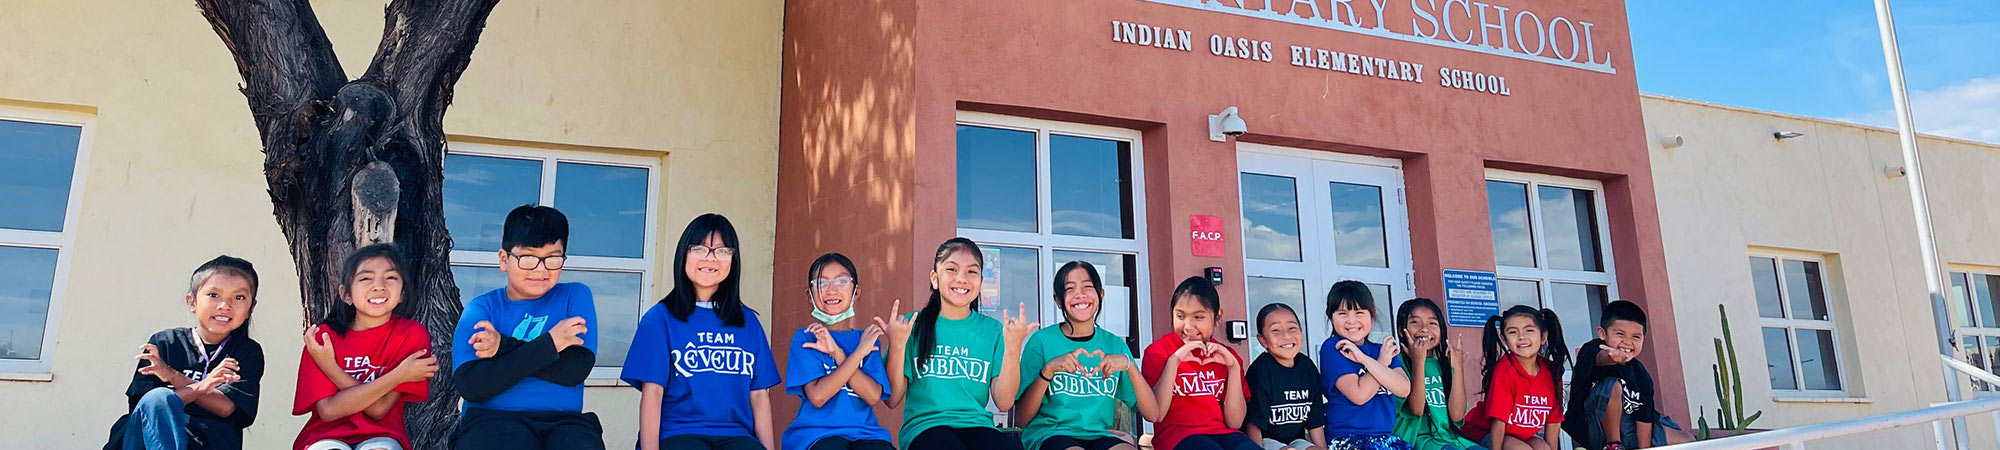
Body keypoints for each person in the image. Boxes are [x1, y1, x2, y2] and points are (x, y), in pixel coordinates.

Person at [624, 213, 782, 450]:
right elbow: (653, 393)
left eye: (722, 250)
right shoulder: (660, 319)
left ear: (733, 259)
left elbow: (759, 396)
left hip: (737, 437)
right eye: (700, 248)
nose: (711, 258)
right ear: (684, 254)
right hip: (679, 434)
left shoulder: (747, 322)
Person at [450, 205, 603, 450]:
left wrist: (503, 347)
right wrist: (553, 343)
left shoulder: (575, 296)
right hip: (492, 422)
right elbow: (473, 385)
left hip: (565, 424)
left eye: (553, 258)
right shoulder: (482, 309)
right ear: (504, 259)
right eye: (528, 258)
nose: (541, 269)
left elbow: (574, 369)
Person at [884, 237, 1036, 450]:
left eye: (972, 272)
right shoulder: (911, 325)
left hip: (978, 427)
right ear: (935, 279)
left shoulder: (992, 330)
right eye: (952, 269)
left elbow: (1003, 401)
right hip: (926, 428)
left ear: (981, 282)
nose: (962, 278)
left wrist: (1013, 347)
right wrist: (898, 345)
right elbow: (892, 399)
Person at [103, 255, 266, 450]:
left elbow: (226, 407)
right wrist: (202, 387)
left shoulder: (246, 351)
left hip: (210, 443)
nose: (225, 305)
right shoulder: (164, 343)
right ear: (192, 302)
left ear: (251, 307)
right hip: (148, 444)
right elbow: (150, 409)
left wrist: (173, 377)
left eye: (239, 297)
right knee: (159, 397)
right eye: (214, 295)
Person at [292, 244, 439, 450]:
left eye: (391, 278)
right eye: (365, 278)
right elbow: (329, 411)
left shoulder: (411, 334)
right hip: (323, 435)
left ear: (402, 293)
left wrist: (330, 366)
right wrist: (399, 375)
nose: (379, 286)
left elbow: (379, 409)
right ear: (346, 294)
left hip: (382, 434)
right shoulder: (323, 339)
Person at [1014, 261, 1162, 450]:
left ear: (1100, 294)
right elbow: (1021, 419)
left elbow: (1152, 414)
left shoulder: (1115, 344)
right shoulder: (1042, 342)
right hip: (1051, 434)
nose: (1080, 294)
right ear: (1058, 300)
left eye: (1087, 287)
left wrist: (1129, 365)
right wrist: (1048, 370)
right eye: (1070, 289)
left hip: (1098, 435)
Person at [781, 253, 894, 450]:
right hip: (816, 435)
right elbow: (818, 397)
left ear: (856, 292)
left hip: (866, 434)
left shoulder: (866, 339)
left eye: (841, 281)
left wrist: (839, 354)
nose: (832, 290)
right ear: (809, 295)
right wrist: (857, 354)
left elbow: (873, 396)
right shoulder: (806, 337)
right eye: (821, 283)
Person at [1141, 276, 1256, 450]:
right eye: (1180, 316)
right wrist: (1174, 360)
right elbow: (1156, 414)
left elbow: (1235, 422)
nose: (1188, 326)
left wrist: (1232, 368)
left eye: (1198, 317)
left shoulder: (1227, 356)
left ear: (1217, 318)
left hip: (1224, 435)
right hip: (1178, 438)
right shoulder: (1158, 352)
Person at [1563, 301, 1692, 450]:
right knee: (1612, 384)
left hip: (1630, 430)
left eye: (1636, 337)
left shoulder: (1641, 374)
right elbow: (1599, 358)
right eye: (1620, 334)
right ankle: (1613, 445)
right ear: (1602, 334)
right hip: (1594, 427)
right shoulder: (1591, 350)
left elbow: (1644, 419)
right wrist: (1611, 357)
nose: (1627, 342)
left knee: (1686, 439)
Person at [1317, 281, 1413, 450]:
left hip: (1386, 439)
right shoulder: (1334, 348)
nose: (1351, 321)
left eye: (1359, 312)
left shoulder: (1380, 350)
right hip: (1348, 439)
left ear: (1371, 315)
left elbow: (1403, 388)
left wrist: (1366, 359)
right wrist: (1382, 363)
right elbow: (1359, 395)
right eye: (1342, 313)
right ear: (1331, 316)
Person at [1458, 306, 1570, 450]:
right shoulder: (1505, 370)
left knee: (1544, 448)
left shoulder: (1551, 372)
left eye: (1529, 330)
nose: (1521, 337)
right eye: (1513, 332)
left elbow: (1553, 422)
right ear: (1504, 338)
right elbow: (1498, 422)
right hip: (1485, 432)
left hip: (1520, 436)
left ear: (1543, 337)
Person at [1391, 298, 1482, 450]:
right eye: (1415, 322)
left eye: (1432, 323)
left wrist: (1458, 368)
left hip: (1449, 437)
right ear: (1401, 330)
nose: (1424, 329)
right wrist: (1418, 362)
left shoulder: (1443, 364)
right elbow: (1417, 409)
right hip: (1417, 439)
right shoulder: (1396, 363)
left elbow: (1457, 416)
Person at [1244, 303, 1326, 450]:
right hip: (1265, 440)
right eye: (1276, 330)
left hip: (1296, 440)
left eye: (1292, 328)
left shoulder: (1307, 367)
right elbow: (1253, 424)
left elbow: (1315, 421)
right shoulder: (1260, 370)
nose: (1286, 336)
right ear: (1262, 340)